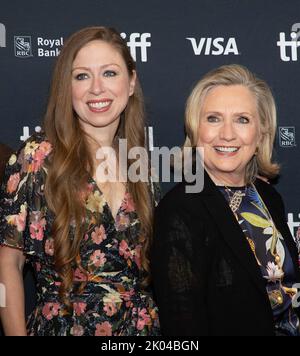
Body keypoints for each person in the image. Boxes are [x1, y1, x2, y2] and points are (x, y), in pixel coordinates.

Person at [0, 26, 160, 336]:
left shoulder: (142, 166)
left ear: (131, 82)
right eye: (82, 76)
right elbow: (8, 265)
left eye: (110, 73)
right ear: (66, 87)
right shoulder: (38, 157)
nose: (97, 88)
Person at [151, 64, 300, 336]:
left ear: (261, 134)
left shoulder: (268, 197)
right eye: (214, 118)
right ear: (196, 131)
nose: (227, 134)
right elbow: (184, 325)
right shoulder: (180, 210)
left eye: (242, 119)